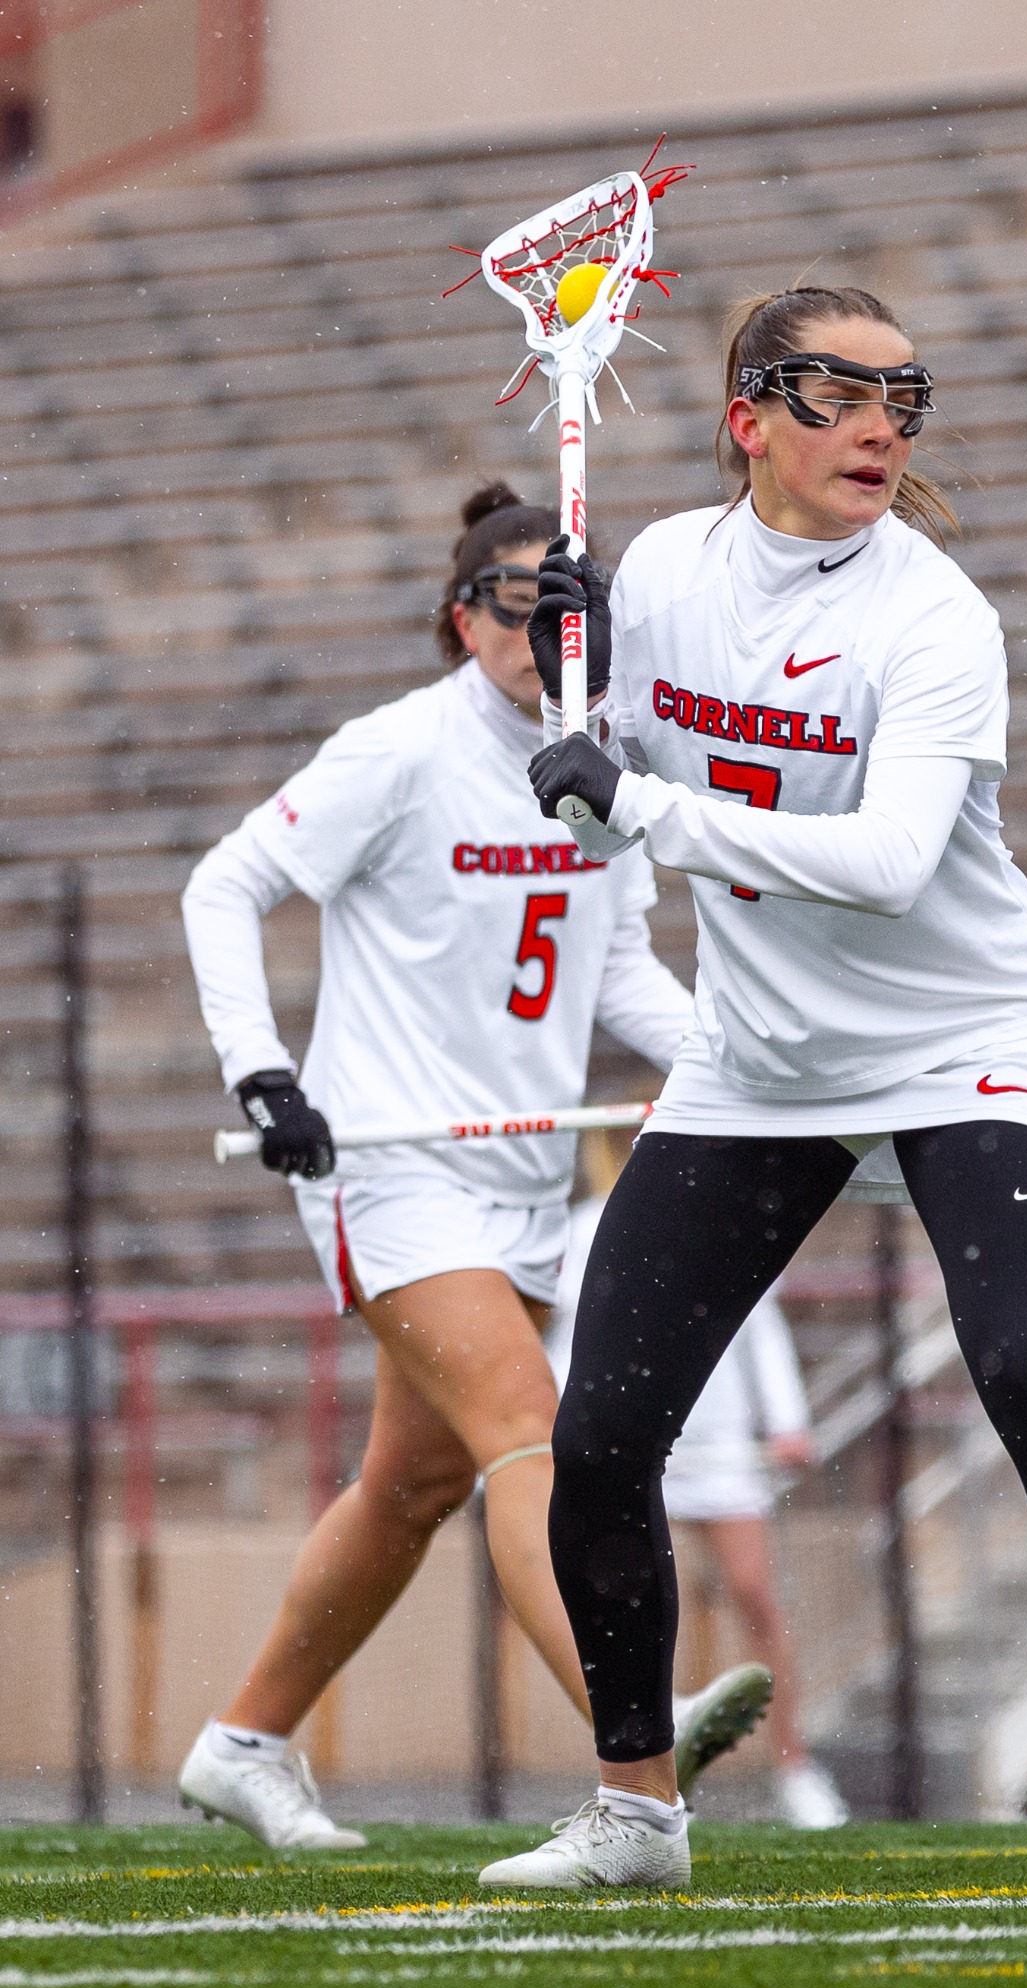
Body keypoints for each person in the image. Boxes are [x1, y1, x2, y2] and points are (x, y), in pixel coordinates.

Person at [479, 284, 1027, 1891]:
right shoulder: (662, 570)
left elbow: (883, 863)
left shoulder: (932, 615)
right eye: (838, 391)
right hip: (760, 1060)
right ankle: (636, 1811)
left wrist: (638, 805)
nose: (882, 424)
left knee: (1024, 1366)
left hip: (963, 1034)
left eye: (905, 396)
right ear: (747, 417)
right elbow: (592, 773)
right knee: (599, 1431)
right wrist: (558, 680)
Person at [177, 483, 771, 1850]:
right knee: (526, 1427)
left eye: (565, 609)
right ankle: (638, 1727)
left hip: (520, 1181)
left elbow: (617, 972)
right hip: (389, 1165)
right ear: (463, 620)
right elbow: (224, 884)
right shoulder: (398, 750)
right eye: (514, 606)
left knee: (412, 1486)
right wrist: (260, 1070)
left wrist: (744, 1061)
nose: (541, 632)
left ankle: (243, 1741)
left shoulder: (599, 762)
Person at [547, 1136, 851, 1831]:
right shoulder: (585, 1227)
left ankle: (795, 1768)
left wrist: (786, 1418)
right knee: (617, 1604)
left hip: (716, 1444)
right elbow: (570, 1333)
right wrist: (557, 1429)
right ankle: (634, 1777)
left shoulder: (723, 1213)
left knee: (755, 1596)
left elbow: (759, 1325)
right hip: (622, 1447)